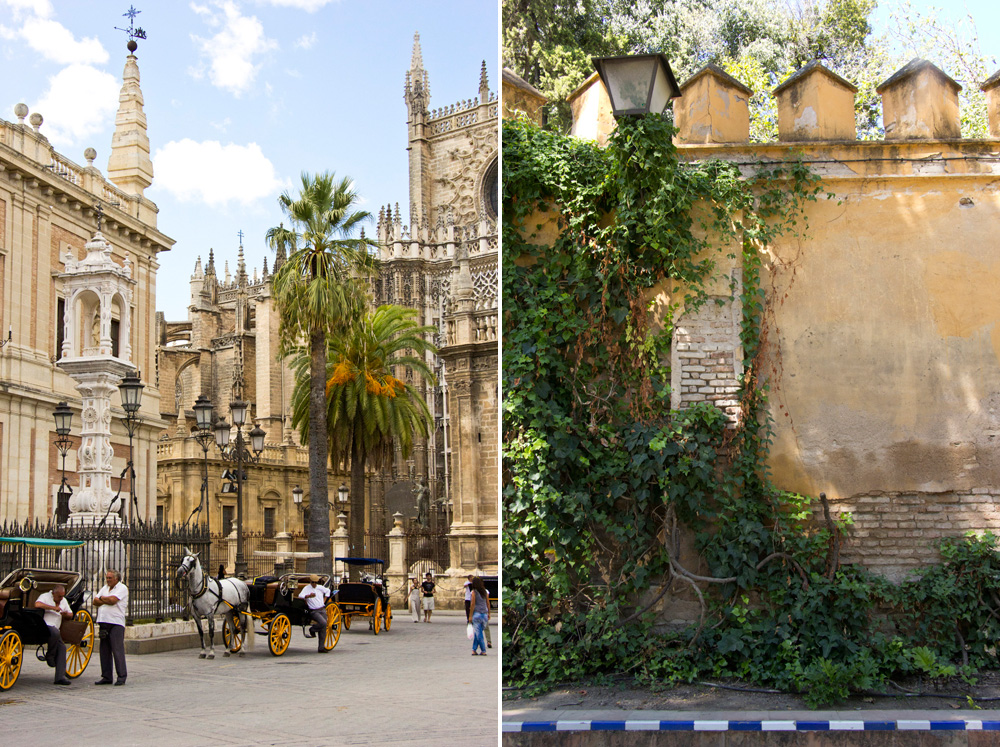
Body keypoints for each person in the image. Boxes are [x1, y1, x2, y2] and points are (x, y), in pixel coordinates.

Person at [93, 569, 128, 686]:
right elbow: (95, 601)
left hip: (116, 623)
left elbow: (113, 601)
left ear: (116, 579)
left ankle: (121, 676)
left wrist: (102, 599)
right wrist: (105, 600)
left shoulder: (122, 588)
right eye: (107, 578)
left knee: (117, 650)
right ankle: (106, 676)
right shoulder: (104, 588)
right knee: (104, 651)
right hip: (103, 622)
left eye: (110, 578)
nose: (107, 580)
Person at [34, 583, 73, 686]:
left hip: (56, 628)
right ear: (53, 593)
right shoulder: (45, 596)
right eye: (59, 596)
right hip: (45, 626)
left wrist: (66, 614)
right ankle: (50, 656)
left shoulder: (63, 601)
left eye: (62, 596)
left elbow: (70, 613)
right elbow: (37, 604)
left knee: (62, 648)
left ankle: (60, 677)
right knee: (55, 632)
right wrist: (52, 608)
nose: (61, 598)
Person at [298, 574, 331, 652]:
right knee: (323, 623)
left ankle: (321, 647)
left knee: (323, 628)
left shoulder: (320, 587)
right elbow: (300, 596)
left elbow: (328, 591)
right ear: (310, 582)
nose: (314, 584)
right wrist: (308, 596)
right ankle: (312, 629)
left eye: (315, 582)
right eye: (313, 582)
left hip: (322, 609)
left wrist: (324, 600)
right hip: (314, 610)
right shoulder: (307, 588)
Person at [469, 576, 490, 656]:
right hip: (484, 614)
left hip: (477, 614)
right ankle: (473, 650)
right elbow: (487, 603)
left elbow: (472, 604)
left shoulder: (474, 592)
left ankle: (483, 650)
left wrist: (470, 616)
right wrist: (489, 613)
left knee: (479, 634)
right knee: (478, 633)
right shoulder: (485, 592)